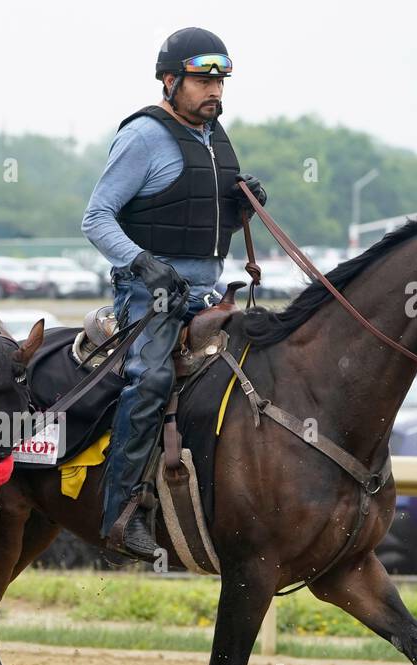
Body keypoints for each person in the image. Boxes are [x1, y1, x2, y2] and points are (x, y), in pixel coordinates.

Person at [81, 26, 267, 558]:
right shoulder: (142, 136)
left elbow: (198, 221)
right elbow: (96, 219)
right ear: (169, 81)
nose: (214, 92)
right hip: (148, 294)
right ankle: (122, 512)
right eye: (201, 81)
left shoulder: (215, 140)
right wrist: (142, 263)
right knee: (152, 376)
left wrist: (240, 207)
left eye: (220, 82)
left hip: (206, 291)